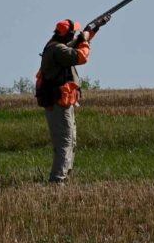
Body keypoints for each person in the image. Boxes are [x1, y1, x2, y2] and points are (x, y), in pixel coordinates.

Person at [36, 16, 107, 183]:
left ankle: (63, 177)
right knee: (65, 143)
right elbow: (81, 56)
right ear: (66, 35)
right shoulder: (59, 50)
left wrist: (93, 30)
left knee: (70, 141)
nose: (75, 33)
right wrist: (85, 41)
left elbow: (75, 44)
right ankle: (57, 181)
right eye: (73, 32)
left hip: (63, 102)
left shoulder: (55, 45)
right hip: (59, 103)